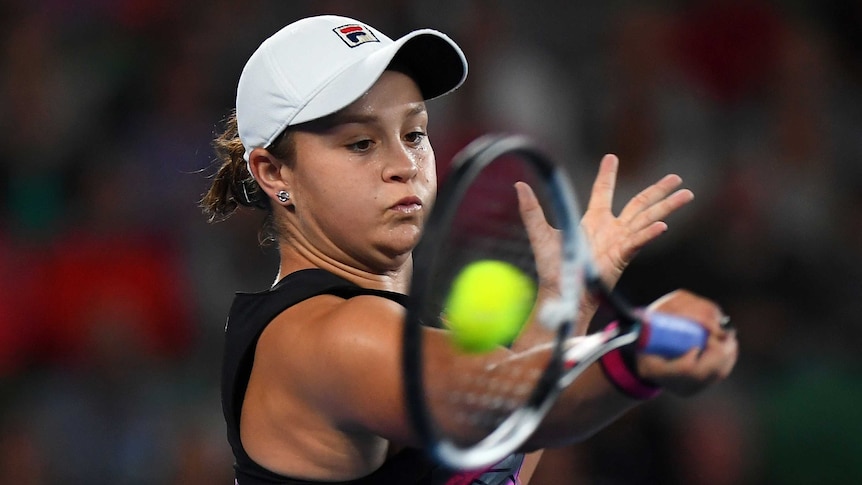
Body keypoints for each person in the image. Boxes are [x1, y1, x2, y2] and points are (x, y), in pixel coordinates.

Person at [201, 14, 738, 485]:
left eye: (414, 134)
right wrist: (640, 353)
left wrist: (567, 299)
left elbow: (495, 456)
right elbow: (498, 398)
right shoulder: (326, 338)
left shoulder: (387, 329)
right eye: (361, 143)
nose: (404, 165)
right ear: (273, 172)